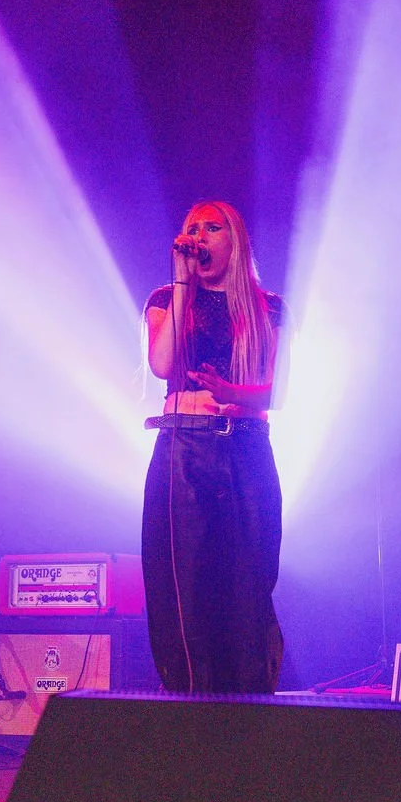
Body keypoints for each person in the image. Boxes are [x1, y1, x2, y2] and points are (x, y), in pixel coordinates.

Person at [141, 200, 285, 694]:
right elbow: (162, 365)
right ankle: (190, 709)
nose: (199, 236)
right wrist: (182, 283)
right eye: (191, 228)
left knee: (249, 585)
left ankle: (250, 710)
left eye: (211, 227)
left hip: (245, 447)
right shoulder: (167, 296)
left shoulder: (268, 307)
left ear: (234, 239)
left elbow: (276, 391)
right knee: (185, 591)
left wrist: (231, 394)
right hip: (184, 450)